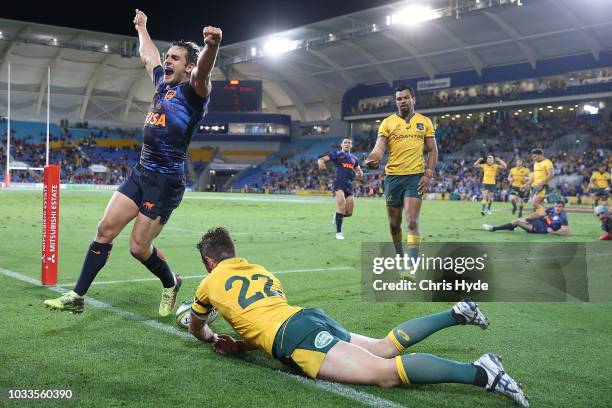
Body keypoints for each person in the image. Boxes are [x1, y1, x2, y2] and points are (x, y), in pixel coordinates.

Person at [188, 227, 529, 406]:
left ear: (208, 261)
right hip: (307, 318)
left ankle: (481, 374)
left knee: (384, 374)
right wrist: (241, 345)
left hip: (296, 338)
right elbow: (264, 322)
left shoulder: (208, 283)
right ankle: (457, 313)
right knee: (383, 348)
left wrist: (215, 339)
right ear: (233, 252)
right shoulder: (260, 270)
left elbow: (196, 327)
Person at [44, 9, 222, 315]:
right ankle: (77, 295)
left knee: (138, 248)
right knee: (104, 230)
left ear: (188, 66)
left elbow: (203, 71)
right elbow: (147, 56)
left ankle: (171, 282)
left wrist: (212, 46)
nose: (167, 61)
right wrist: (142, 28)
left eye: (175, 59)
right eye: (168, 57)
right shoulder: (162, 84)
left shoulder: (194, 93)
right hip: (141, 172)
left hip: (166, 182)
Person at [364, 85, 438, 275]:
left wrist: (428, 174)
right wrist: (373, 159)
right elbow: (380, 147)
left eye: (406, 98)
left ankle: (411, 266)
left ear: (413, 99)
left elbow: (432, 150)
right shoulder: (387, 123)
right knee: (394, 224)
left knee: (412, 221)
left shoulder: (424, 122)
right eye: (399, 99)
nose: (402, 101)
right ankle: (400, 256)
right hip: (393, 178)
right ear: (396, 101)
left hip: (415, 177)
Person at [317, 137, 363, 240]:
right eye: (345, 142)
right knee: (341, 207)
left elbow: (358, 170)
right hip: (338, 184)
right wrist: (320, 162)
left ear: (351, 146)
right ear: (342, 144)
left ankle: (335, 215)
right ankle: (339, 232)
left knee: (349, 213)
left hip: (349, 186)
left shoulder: (354, 158)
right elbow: (322, 158)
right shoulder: (337, 154)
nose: (347, 144)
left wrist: (360, 173)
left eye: (349, 143)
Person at [483, 200, 569, 236]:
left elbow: (566, 232)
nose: (557, 208)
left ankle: (494, 228)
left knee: (517, 221)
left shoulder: (563, 217)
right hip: (539, 222)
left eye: (559, 207)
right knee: (522, 219)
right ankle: (511, 227)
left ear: (563, 207)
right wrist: (530, 217)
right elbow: (540, 214)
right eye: (556, 206)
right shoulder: (551, 209)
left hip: (540, 229)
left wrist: (552, 231)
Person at [526, 149, 554, 215]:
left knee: (534, 203)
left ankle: (547, 215)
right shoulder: (536, 163)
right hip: (535, 187)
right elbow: (533, 177)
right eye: (533, 157)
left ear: (540, 155)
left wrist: (541, 183)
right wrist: (526, 184)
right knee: (539, 204)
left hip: (542, 187)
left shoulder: (547, 162)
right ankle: (542, 219)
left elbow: (550, 174)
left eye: (535, 156)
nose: (533, 158)